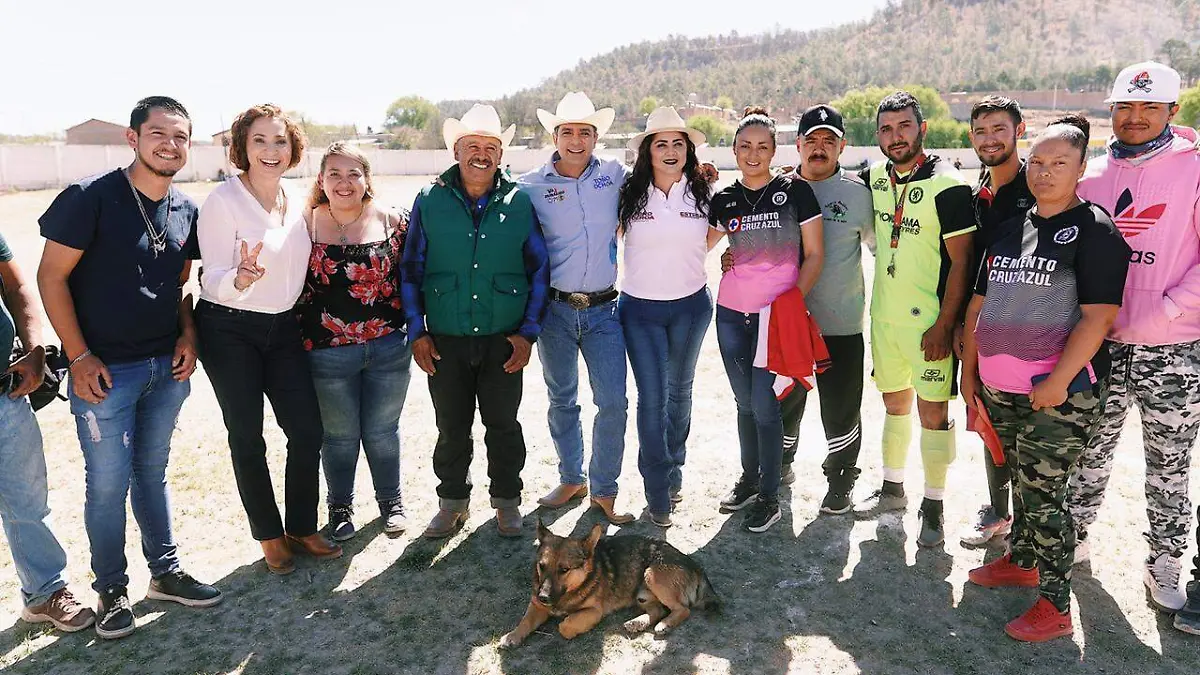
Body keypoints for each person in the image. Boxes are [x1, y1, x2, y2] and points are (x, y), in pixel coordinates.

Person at [37, 96, 221, 640]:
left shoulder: (186, 208)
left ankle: (164, 573)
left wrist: (188, 337)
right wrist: (77, 355)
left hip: (166, 367)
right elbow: (51, 278)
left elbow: (180, 286)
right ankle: (111, 589)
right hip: (104, 372)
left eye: (181, 137)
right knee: (107, 483)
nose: (170, 145)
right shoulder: (89, 198)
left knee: (152, 472)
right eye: (159, 134)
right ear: (132, 137)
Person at [962, 125, 1131, 642]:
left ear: (1082, 170)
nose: (1044, 172)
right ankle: (1022, 561)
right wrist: (970, 374)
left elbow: (1098, 318)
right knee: (1019, 480)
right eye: (1037, 162)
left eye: (1060, 163)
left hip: (1059, 394)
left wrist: (1058, 382)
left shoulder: (1096, 232)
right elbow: (978, 304)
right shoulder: (1009, 228)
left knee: (1043, 498)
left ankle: (1056, 607)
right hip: (1000, 387)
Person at [1061, 62, 1200, 623]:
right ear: (1111, 110)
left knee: (1169, 465)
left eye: (1149, 108)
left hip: (1173, 349)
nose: (1135, 117)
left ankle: (1165, 561)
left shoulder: (1194, 170)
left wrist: (1166, 309)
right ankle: (1073, 540)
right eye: (1124, 107)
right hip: (1100, 346)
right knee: (1087, 455)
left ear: (1172, 111)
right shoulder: (1090, 174)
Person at [196, 104, 340, 576]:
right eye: (259, 141)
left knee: (306, 431)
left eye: (280, 141)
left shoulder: (298, 197)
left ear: (293, 148)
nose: (271, 151)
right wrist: (238, 278)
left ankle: (301, 525)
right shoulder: (222, 201)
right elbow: (209, 277)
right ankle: (269, 535)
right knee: (247, 436)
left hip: (283, 327)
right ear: (243, 147)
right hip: (229, 327)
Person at [400, 104, 550, 539]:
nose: (481, 154)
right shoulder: (429, 200)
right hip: (445, 337)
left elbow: (539, 270)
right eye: (472, 146)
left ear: (500, 154)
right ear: (456, 151)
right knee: (451, 427)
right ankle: (452, 503)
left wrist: (527, 334)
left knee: (503, 425)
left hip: (504, 339)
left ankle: (506, 502)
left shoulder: (520, 201)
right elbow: (410, 269)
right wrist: (417, 332)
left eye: (490, 147)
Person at [854, 91, 975, 549]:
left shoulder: (948, 184)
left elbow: (962, 263)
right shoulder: (875, 178)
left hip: (930, 325)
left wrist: (946, 326)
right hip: (884, 320)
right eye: (886, 129)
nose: (895, 136)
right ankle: (891, 487)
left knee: (933, 414)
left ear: (922, 128)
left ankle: (935, 504)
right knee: (893, 406)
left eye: (904, 126)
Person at [517, 92, 635, 525]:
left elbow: (662, 175)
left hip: (605, 309)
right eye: (568, 131)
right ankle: (572, 477)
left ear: (595, 137)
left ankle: (604, 490)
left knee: (614, 403)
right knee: (562, 398)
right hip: (555, 311)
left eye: (585, 132)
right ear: (555, 136)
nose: (576, 140)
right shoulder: (530, 184)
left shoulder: (616, 175)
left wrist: (703, 172)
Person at [711, 107, 824, 533]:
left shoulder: (795, 191)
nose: (753, 154)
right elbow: (695, 247)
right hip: (729, 314)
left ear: (775, 150)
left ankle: (771, 496)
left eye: (762, 146)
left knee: (765, 406)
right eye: (745, 146)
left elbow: (814, 254)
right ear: (734, 150)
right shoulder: (723, 199)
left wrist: (792, 304)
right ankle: (750, 479)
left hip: (775, 318)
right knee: (743, 404)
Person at [296, 142, 411, 541]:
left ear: (366, 179)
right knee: (339, 436)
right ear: (321, 180)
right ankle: (340, 508)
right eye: (334, 174)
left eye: (353, 174)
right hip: (326, 354)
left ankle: (391, 503)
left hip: (387, 348)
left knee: (382, 431)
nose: (344, 183)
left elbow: (415, 276)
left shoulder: (394, 221)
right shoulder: (303, 225)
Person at [615, 107, 718, 527]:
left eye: (679, 143)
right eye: (662, 144)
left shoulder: (705, 192)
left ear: (688, 150)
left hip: (691, 308)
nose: (671, 151)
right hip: (639, 311)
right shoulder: (627, 193)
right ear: (647, 151)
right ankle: (657, 490)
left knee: (681, 393)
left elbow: (709, 240)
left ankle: (674, 470)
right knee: (652, 399)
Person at [774, 104, 875, 515]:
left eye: (828, 141)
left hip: (841, 323)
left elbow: (880, 249)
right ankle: (780, 466)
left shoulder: (857, 194)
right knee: (784, 400)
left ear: (842, 146)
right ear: (797, 145)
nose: (819, 148)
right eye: (811, 140)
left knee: (841, 407)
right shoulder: (775, 190)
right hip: (787, 324)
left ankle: (840, 480)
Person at [1, 232, 95, 634]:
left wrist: (35, 348)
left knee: (27, 502)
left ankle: (44, 593)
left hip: (5, 393)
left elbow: (15, 283)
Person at [960, 95, 1032, 547]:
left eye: (998, 129)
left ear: (1019, 130)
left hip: (1030, 334)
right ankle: (999, 512)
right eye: (981, 131)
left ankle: (1027, 527)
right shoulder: (978, 193)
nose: (990, 139)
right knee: (988, 422)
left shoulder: (1038, 188)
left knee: (1029, 437)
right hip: (983, 329)